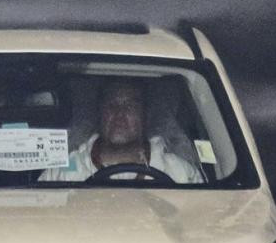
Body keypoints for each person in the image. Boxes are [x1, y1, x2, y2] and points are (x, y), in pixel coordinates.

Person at [46, 77, 202, 182]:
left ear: (145, 116)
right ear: (99, 113)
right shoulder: (64, 171)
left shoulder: (179, 172)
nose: (119, 113)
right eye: (111, 105)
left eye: (130, 106)